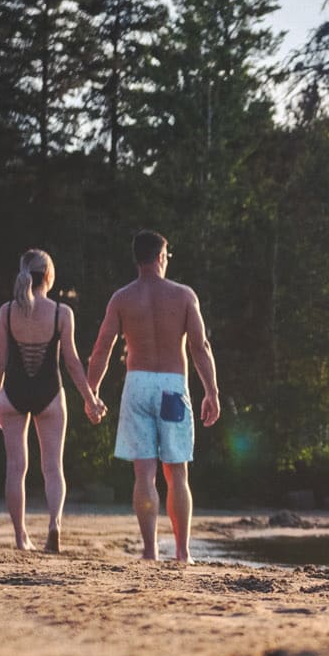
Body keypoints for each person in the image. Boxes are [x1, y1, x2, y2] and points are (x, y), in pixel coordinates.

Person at [86, 231, 221, 563]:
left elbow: (102, 348)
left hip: (137, 384)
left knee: (144, 473)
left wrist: (92, 393)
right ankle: (182, 552)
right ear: (161, 257)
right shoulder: (184, 295)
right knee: (177, 473)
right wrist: (212, 391)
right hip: (172, 386)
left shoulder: (122, 298)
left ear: (137, 259)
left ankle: (150, 551)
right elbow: (200, 347)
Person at [0, 249, 105, 552]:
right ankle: (54, 524)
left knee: (16, 468)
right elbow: (73, 363)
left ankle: (21, 537)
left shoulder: (6, 312)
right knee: (53, 467)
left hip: (13, 393)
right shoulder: (61, 313)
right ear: (50, 276)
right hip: (50, 393)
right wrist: (90, 399)